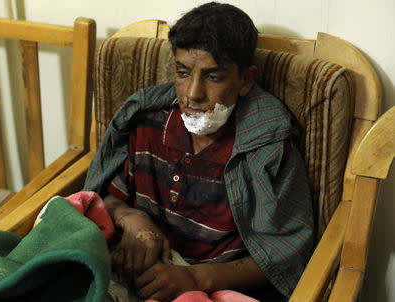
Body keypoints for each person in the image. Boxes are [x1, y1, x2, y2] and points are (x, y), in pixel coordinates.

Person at [83, 2, 314, 301]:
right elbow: (105, 197)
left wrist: (196, 278)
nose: (193, 93)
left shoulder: (267, 148)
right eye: (183, 72)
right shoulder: (147, 124)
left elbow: (282, 255)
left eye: (213, 77)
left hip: (213, 287)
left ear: (245, 80)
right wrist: (132, 218)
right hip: (131, 275)